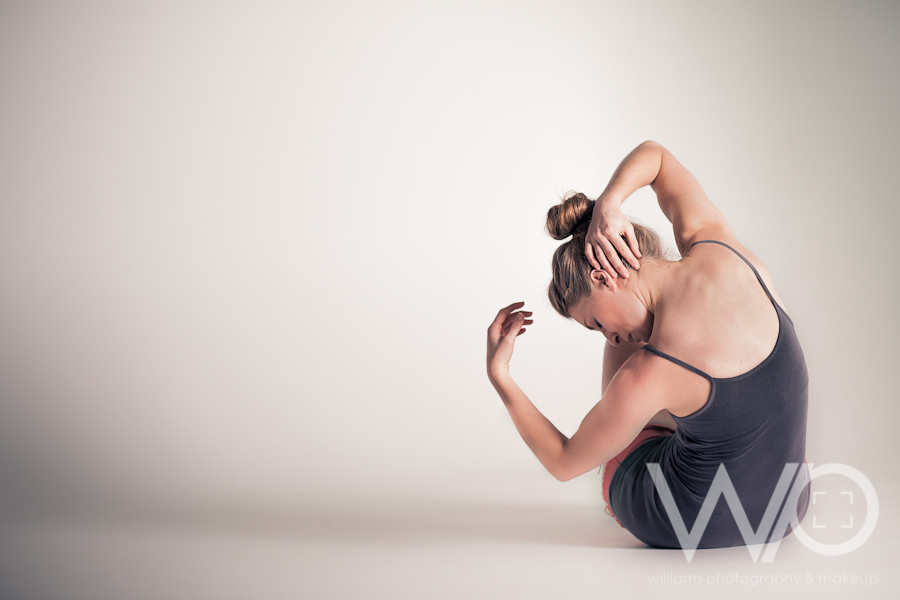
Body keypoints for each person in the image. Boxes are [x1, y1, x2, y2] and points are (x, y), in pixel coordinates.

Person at [485, 140, 810, 549]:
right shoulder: (718, 244)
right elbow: (657, 157)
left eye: (597, 323)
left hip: (685, 520)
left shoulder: (650, 370)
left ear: (605, 275)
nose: (612, 337)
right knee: (719, 399)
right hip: (787, 508)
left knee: (641, 395)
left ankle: (622, 476)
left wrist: (500, 376)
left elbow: (564, 463)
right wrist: (610, 203)